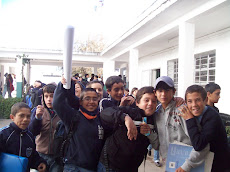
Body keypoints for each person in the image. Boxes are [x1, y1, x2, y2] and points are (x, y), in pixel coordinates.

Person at [154, 76, 209, 172]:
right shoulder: (157, 113)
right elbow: (158, 143)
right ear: (155, 93)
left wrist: (187, 166)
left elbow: (201, 143)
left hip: (188, 166)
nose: (163, 94)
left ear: (174, 91)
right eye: (160, 90)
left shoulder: (183, 110)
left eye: (167, 90)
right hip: (170, 164)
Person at [98, 86, 159, 172]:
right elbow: (105, 113)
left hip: (132, 167)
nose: (150, 104)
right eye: (146, 100)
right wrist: (125, 118)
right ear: (137, 102)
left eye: (154, 101)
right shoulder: (129, 111)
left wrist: (148, 133)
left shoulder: (154, 119)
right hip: (111, 166)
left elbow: (157, 146)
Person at [53, 78, 104, 172]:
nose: (91, 102)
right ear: (80, 102)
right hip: (74, 168)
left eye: (94, 99)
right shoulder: (73, 117)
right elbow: (57, 104)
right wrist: (62, 85)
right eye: (87, 99)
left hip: (93, 168)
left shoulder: (101, 118)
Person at [178, 85, 230, 172]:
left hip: (219, 163)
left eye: (197, 100)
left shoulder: (212, 116)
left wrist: (189, 119)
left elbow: (199, 144)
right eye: (190, 101)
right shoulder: (192, 113)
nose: (194, 105)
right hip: (204, 163)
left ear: (205, 100)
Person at [0, 102, 47, 172]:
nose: (25, 119)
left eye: (28, 116)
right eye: (21, 116)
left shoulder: (30, 136)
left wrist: (39, 163)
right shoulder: (3, 134)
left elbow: (32, 155)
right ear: (12, 117)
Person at [28, 84, 63, 172]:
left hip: (57, 156)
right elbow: (32, 132)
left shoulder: (62, 112)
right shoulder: (38, 110)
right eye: (46, 96)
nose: (49, 99)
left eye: (52, 96)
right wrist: (37, 118)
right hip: (41, 153)